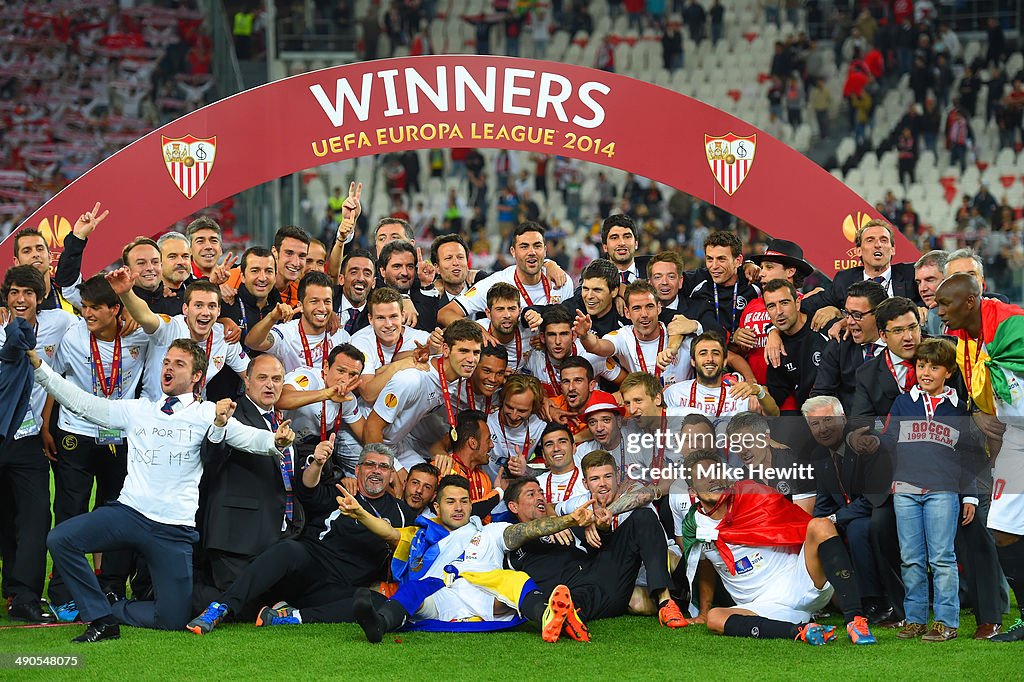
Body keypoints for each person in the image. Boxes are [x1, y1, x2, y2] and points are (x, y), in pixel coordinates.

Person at [35, 338, 294, 641]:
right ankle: (100, 617)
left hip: (173, 529)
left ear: (197, 376)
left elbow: (249, 438)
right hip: (129, 514)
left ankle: (114, 608)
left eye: (179, 364)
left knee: (172, 619)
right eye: (167, 362)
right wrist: (41, 369)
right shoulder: (139, 410)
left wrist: (274, 442)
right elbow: (82, 403)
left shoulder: (207, 412)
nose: (168, 368)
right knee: (61, 538)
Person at [339, 474, 598, 642]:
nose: (459, 507)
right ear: (437, 508)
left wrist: (567, 521)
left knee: (514, 579)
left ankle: (546, 617)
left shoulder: (490, 531)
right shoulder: (423, 535)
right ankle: (379, 623)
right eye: (451, 502)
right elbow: (389, 533)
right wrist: (361, 513)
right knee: (414, 589)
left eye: (464, 501)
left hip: (486, 593)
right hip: (442, 594)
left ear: (471, 506)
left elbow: (527, 530)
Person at [186, 443, 415, 632]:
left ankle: (291, 617)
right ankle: (221, 608)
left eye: (383, 467)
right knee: (288, 550)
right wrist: (317, 462)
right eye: (370, 465)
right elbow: (307, 489)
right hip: (309, 568)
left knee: (376, 601)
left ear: (392, 474)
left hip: (338, 589)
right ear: (357, 470)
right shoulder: (339, 491)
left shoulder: (404, 514)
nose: (376, 471)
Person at [679, 448, 876, 645]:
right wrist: (704, 612)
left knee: (820, 525)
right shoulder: (694, 526)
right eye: (704, 476)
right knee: (715, 618)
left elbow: (796, 525)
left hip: (800, 581)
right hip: (760, 606)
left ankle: (855, 621)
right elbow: (703, 566)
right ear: (692, 491)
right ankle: (801, 631)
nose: (713, 479)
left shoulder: (753, 496)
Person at [46, 275, 152, 612]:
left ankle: (111, 587)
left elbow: (160, 322)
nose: (87, 314)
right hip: (75, 433)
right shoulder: (71, 334)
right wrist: (48, 428)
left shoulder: (140, 335)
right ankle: (63, 592)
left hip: (121, 437)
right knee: (69, 510)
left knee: (118, 511)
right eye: (85, 307)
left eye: (94, 308)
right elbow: (54, 378)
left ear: (116, 309)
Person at [935, 273, 1024, 642]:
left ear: (969, 302)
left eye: (945, 304)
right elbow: (978, 389)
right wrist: (976, 411)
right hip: (1016, 442)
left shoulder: (1013, 325)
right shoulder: (965, 341)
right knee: (1002, 530)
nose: (939, 313)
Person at [872, 338, 979, 642]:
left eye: (934, 367)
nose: (926, 372)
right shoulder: (903, 402)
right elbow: (889, 441)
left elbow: (968, 455)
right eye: (921, 365)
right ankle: (915, 618)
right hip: (905, 490)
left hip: (943, 490)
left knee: (942, 557)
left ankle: (946, 621)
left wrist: (969, 494)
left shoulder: (959, 407)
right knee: (911, 557)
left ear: (948, 371)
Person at [191, 354, 304, 615]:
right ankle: (167, 597)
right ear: (247, 381)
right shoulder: (232, 413)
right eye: (262, 378)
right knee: (237, 602)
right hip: (235, 536)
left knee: (264, 598)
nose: (270, 385)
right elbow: (211, 457)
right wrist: (219, 425)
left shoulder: (281, 420)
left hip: (276, 532)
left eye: (276, 379)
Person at [0, 266, 75, 623]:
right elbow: (18, 344)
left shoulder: (60, 323)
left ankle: (25, 595)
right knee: (6, 519)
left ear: (39, 297)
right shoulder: (11, 330)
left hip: (28, 441)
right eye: (14, 292)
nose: (20, 299)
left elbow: (91, 312)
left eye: (28, 293)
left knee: (34, 519)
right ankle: (12, 587)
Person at [803, 396, 891, 625]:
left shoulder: (865, 444)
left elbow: (874, 497)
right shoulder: (819, 455)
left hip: (883, 511)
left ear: (842, 418)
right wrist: (817, 526)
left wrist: (834, 518)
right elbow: (823, 501)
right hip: (850, 515)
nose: (822, 429)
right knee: (819, 532)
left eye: (827, 421)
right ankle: (827, 599)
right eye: (815, 424)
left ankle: (875, 601)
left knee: (857, 529)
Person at [363, 319, 483, 475]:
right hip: (367, 438)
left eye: (476, 353)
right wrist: (391, 472)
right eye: (464, 351)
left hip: (396, 443)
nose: (471, 359)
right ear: (445, 350)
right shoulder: (412, 380)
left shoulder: (459, 373)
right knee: (402, 489)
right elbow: (371, 427)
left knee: (433, 482)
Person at [109, 273, 247, 402]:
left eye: (211, 306)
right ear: (185, 309)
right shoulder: (171, 327)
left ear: (218, 311)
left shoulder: (225, 336)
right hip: (154, 410)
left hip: (194, 412)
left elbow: (250, 375)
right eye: (198, 305)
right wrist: (126, 294)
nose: (206, 312)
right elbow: (146, 317)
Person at [438, 222, 574, 326]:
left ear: (545, 250)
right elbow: (446, 313)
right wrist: (476, 332)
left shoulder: (561, 281)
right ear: (513, 251)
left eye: (537, 246)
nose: (531, 251)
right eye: (524, 246)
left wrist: (550, 263)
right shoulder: (496, 283)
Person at [576, 280, 700, 386]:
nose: (644, 314)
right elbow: (596, 346)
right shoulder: (623, 337)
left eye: (649, 306)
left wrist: (696, 326)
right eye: (636, 308)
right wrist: (585, 335)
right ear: (627, 312)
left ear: (659, 308)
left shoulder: (681, 334)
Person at [244, 271, 350, 375]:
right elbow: (252, 342)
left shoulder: (341, 336)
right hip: (293, 391)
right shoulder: (286, 334)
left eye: (327, 302)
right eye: (314, 301)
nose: (322, 308)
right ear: (301, 306)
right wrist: (272, 318)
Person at [810, 281, 888, 414]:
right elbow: (821, 395)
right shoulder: (839, 345)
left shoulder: (898, 345)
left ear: (879, 314)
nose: (850, 322)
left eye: (857, 315)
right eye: (847, 313)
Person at [664, 331, 780, 418]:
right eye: (703, 353)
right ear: (693, 361)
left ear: (724, 361)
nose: (710, 359)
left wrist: (759, 391)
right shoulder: (674, 393)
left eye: (716, 353)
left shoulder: (739, 393)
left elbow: (774, 415)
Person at [725, 411, 817, 512]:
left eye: (747, 442)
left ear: (766, 439)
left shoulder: (796, 465)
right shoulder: (743, 479)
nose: (742, 451)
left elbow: (803, 518)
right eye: (736, 445)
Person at [763, 279, 829, 414]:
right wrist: (759, 393)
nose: (779, 311)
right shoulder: (776, 349)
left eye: (784, 303)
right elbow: (775, 399)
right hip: (811, 420)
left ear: (797, 303)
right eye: (771, 306)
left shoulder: (824, 324)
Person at [823, 220, 922, 308]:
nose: (878, 245)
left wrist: (921, 308)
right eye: (870, 240)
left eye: (883, 240)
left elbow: (933, 297)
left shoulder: (911, 274)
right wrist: (832, 310)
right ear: (858, 251)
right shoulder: (844, 280)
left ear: (893, 249)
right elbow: (815, 303)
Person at [219, 247, 283, 356]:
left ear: (275, 276)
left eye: (268, 271)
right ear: (243, 277)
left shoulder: (281, 310)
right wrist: (220, 321)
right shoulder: (226, 304)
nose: (262, 278)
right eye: (255, 271)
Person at [486, 374, 547, 475]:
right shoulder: (486, 420)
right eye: (509, 407)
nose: (514, 416)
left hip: (520, 487)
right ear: (502, 400)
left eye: (522, 411)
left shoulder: (542, 425)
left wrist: (525, 471)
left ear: (534, 408)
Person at [479, 282, 533, 373]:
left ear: (519, 312)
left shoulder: (531, 332)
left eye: (512, 309)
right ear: (488, 313)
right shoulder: (476, 333)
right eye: (500, 309)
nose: (507, 315)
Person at [535, 423, 587, 504]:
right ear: (543, 454)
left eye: (562, 442)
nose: (556, 448)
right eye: (549, 444)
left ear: (573, 448)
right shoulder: (535, 484)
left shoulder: (589, 479)